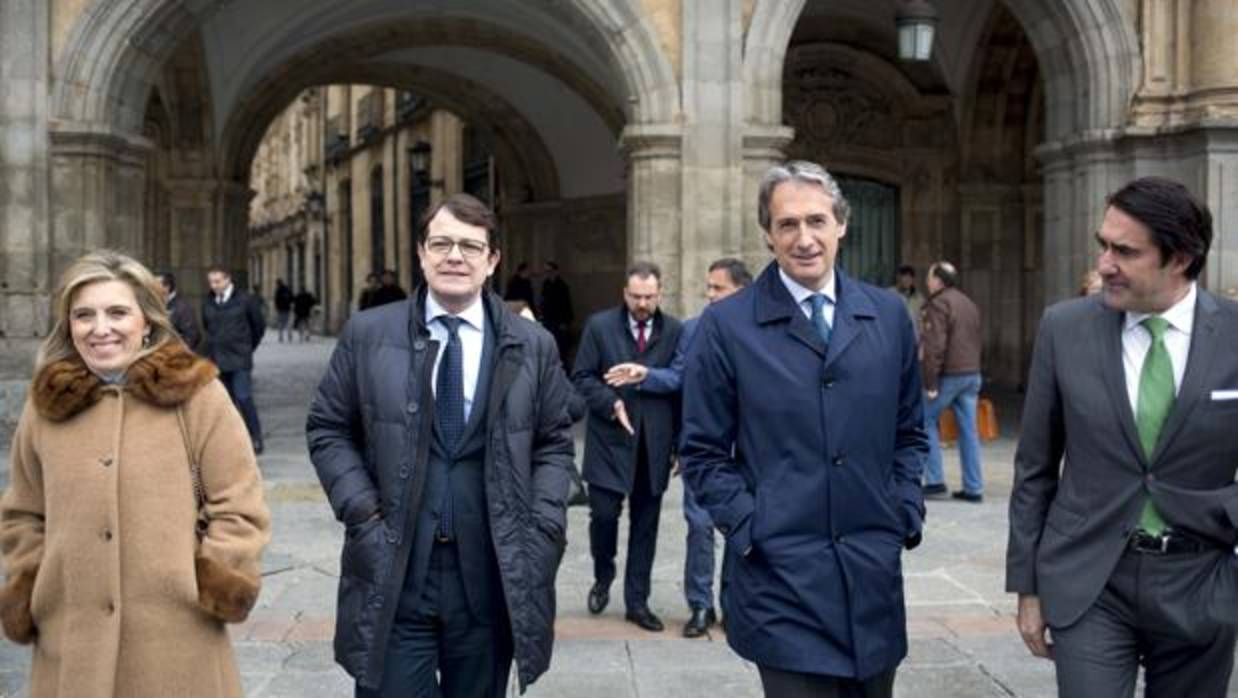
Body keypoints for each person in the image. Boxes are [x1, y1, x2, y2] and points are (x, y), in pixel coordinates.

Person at [306, 193, 575, 697]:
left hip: (491, 573)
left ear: (492, 260)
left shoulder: (531, 344)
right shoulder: (367, 334)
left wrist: (542, 528)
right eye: (442, 243)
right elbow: (327, 427)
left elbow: (554, 442)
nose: (456, 256)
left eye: (471, 246)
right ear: (421, 253)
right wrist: (363, 514)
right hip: (396, 567)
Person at [681, 161, 927, 698]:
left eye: (817, 220)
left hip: (871, 574)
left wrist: (903, 513)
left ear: (842, 224)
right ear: (768, 236)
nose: (805, 238)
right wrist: (752, 528)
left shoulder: (887, 316)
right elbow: (701, 453)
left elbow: (910, 433)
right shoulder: (726, 327)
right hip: (780, 580)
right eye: (787, 224)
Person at [0, 250, 270, 697]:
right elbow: (22, 513)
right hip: (70, 646)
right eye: (83, 315)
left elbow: (239, 504)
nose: (100, 328)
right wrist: (37, 583)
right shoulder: (46, 408)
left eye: (117, 312)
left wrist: (212, 579)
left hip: (178, 644)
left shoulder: (198, 398)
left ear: (146, 322)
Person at [1007, 177, 1238, 698]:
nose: (1104, 263)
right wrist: (1028, 586)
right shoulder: (1064, 329)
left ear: (1179, 258)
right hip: (1091, 581)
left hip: (1201, 582)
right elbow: (1035, 469)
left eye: (1124, 251)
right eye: (1102, 244)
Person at [604, 257, 752, 638]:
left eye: (717, 288)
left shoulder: (762, 329)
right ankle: (700, 605)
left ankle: (735, 607)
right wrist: (647, 374)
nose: (709, 295)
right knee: (699, 526)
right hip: (703, 447)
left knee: (740, 528)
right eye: (709, 287)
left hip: (750, 446)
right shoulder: (693, 329)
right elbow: (677, 377)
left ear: (741, 292)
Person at [572, 261, 682, 632]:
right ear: (624, 293)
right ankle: (604, 576)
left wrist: (680, 444)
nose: (642, 304)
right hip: (608, 441)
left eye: (649, 297)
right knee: (603, 517)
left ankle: (638, 602)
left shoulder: (675, 331)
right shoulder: (600, 327)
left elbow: (680, 387)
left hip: (653, 447)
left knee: (646, 526)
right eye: (636, 296)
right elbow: (582, 377)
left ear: (660, 294)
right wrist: (611, 402)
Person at [919, 261, 985, 502]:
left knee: (923, 420)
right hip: (971, 373)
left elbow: (934, 346)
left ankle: (935, 480)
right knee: (969, 430)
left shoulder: (938, 303)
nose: (926, 282)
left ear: (938, 280)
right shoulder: (968, 302)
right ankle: (973, 487)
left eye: (928, 277)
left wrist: (930, 382)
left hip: (950, 374)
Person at [202, 266, 267, 454]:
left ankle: (255, 436)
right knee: (225, 401)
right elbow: (207, 326)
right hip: (218, 358)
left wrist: (247, 347)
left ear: (228, 279)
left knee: (243, 396)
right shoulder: (209, 301)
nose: (214, 286)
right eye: (211, 282)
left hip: (240, 358)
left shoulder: (246, 300)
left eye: (218, 281)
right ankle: (232, 438)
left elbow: (258, 327)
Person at [158, 270, 201, 351]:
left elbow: (192, 336)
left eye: (156, 284)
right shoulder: (157, 304)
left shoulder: (182, 307)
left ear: (167, 287)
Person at [540, 261, 574, 362]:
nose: (548, 274)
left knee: (560, 347)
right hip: (548, 319)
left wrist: (565, 321)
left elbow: (566, 304)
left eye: (550, 271)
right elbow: (543, 300)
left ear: (556, 271)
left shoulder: (562, 286)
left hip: (559, 321)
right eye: (546, 272)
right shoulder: (546, 284)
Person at [889, 264, 924, 332]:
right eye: (905, 276)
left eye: (910, 277)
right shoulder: (889, 294)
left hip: (914, 337)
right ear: (898, 277)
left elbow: (922, 319)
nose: (908, 280)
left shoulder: (918, 297)